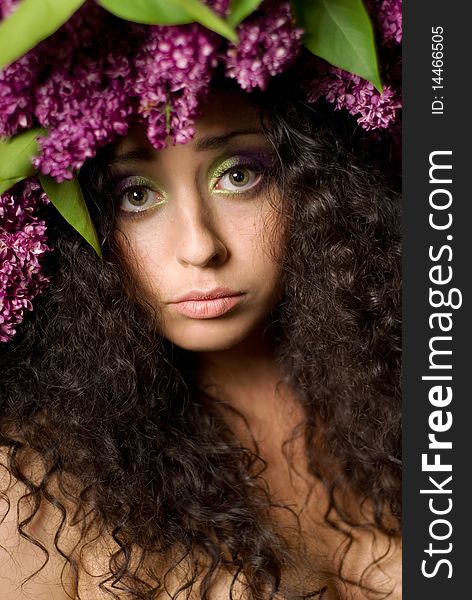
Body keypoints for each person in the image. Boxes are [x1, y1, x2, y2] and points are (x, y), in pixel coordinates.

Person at [0, 2, 402, 599]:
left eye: (238, 175)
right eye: (135, 194)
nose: (199, 247)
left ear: (318, 179)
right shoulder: (29, 487)